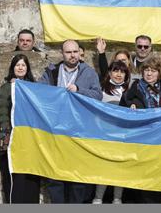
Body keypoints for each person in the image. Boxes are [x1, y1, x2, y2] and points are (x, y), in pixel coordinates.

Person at [38, 40, 101, 203]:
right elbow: (40, 92)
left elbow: (98, 95)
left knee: (77, 173)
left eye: (75, 52)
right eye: (68, 52)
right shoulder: (51, 72)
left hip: (79, 129)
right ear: (62, 53)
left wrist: (79, 90)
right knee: (55, 173)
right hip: (56, 129)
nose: (72, 55)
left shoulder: (89, 72)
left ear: (80, 53)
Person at [119, 56, 161, 203]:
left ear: (159, 73)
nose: (149, 74)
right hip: (141, 142)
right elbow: (121, 115)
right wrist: (129, 109)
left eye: (153, 70)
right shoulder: (131, 92)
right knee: (143, 180)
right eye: (146, 70)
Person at [0, 54, 40, 203]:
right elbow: (1, 108)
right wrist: (7, 129)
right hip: (14, 136)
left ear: (27, 68)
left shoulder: (34, 88)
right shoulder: (7, 87)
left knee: (31, 174)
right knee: (15, 174)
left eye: (23, 65)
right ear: (13, 68)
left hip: (31, 138)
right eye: (17, 65)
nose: (20, 68)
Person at [91, 60, 131, 204]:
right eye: (115, 71)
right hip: (104, 135)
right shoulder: (101, 89)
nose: (118, 74)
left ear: (126, 75)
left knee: (120, 168)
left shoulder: (130, 90)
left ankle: (117, 198)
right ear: (109, 73)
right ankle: (98, 197)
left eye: (122, 71)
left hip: (123, 136)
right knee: (104, 167)